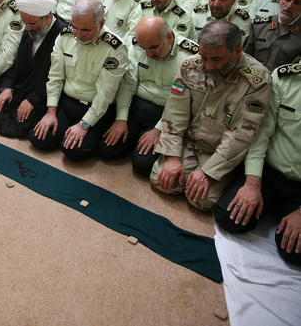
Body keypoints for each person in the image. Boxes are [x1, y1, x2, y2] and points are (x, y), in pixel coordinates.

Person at [150, 22, 272, 211]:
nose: (207, 66)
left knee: (201, 200)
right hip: (189, 142)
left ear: (237, 51)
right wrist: (173, 157)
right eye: (204, 57)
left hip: (219, 151)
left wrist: (207, 173)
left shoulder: (257, 81)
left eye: (216, 59)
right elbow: (175, 113)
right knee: (162, 181)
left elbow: (241, 135)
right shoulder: (190, 65)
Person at [213, 62, 301, 265]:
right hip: (270, 173)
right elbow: (262, 133)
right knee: (228, 217)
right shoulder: (286, 77)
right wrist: (252, 184)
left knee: (293, 252)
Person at [29, 0, 128, 161]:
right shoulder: (66, 36)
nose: (79, 35)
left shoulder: (115, 48)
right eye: (75, 28)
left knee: (74, 152)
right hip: (68, 102)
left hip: (96, 109)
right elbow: (55, 76)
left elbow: (105, 94)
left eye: (86, 31)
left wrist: (84, 124)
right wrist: (51, 111)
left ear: (101, 24)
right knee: (39, 139)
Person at [98, 17, 199, 176]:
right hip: (137, 108)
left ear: (169, 37)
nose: (149, 54)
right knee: (107, 150)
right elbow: (128, 85)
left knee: (142, 166)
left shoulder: (190, 56)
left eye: (153, 47)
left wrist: (159, 129)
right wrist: (121, 119)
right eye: (145, 49)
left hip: (167, 114)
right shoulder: (137, 45)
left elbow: (184, 102)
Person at [0, 0, 65, 138]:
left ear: (46, 17)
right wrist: (8, 87)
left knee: (30, 127)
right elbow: (18, 62)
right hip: (24, 87)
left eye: (31, 24)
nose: (27, 29)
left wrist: (33, 100)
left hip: (44, 94)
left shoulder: (62, 35)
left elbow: (57, 77)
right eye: (25, 24)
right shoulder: (30, 29)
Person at [244, 0, 301, 72]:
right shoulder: (259, 26)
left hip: (281, 83)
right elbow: (245, 58)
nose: (289, 6)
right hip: (253, 78)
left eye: (297, 3)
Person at [126, 0, 192, 43]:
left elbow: (173, 43)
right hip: (139, 49)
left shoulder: (183, 16)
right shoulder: (143, 8)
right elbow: (132, 34)